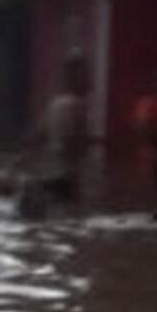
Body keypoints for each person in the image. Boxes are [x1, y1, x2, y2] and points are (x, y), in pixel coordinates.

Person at [32, 54, 91, 203]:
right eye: (85, 75)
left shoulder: (54, 103)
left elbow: (37, 136)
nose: (88, 80)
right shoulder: (78, 105)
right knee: (72, 215)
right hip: (66, 176)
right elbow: (74, 143)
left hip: (47, 174)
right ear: (73, 78)